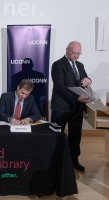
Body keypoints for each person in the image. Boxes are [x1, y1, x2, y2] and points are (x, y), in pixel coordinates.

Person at [51, 41, 92, 171]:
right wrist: (77, 97)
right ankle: (55, 162)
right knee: (57, 136)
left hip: (77, 108)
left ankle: (74, 160)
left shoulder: (80, 65)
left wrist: (88, 80)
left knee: (75, 136)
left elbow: (84, 78)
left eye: (78, 54)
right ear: (67, 50)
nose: (75, 56)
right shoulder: (58, 65)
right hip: (61, 107)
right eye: (73, 53)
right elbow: (59, 87)